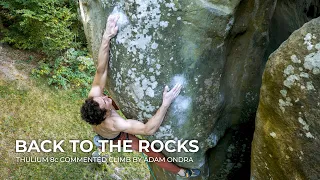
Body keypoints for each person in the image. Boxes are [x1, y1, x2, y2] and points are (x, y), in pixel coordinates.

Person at [80, 14, 200, 178]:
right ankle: (182, 172)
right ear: (106, 113)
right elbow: (148, 129)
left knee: (108, 94)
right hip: (116, 136)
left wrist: (107, 35)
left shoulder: (95, 98)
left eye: (102, 97)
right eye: (106, 102)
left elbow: (101, 69)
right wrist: (166, 103)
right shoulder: (116, 123)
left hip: (102, 126)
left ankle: (100, 140)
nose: (106, 97)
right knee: (148, 150)